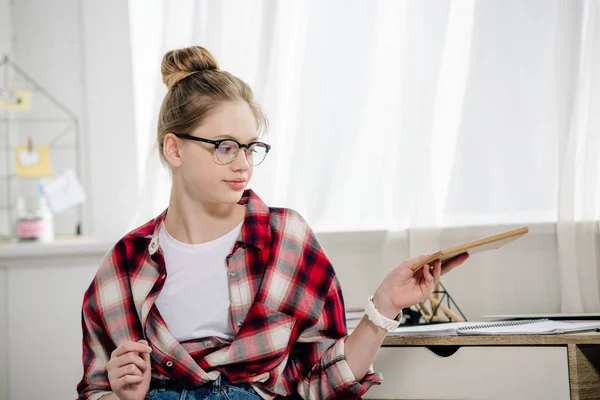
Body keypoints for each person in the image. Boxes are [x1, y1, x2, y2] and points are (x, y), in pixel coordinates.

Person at [77, 45, 469, 400]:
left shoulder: (286, 238)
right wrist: (122, 394)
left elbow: (322, 383)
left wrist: (385, 305)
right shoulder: (125, 262)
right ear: (174, 148)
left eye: (251, 147)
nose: (243, 164)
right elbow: (94, 390)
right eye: (225, 147)